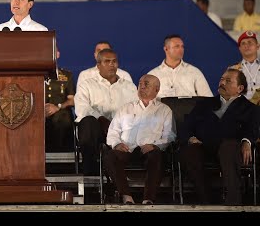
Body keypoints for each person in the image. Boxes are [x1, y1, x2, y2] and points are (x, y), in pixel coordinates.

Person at [179, 68, 260, 205]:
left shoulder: (250, 108)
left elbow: (253, 130)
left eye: (228, 81)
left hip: (232, 149)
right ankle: (207, 201)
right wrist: (191, 138)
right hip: (204, 146)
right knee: (190, 152)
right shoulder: (204, 104)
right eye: (222, 79)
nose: (222, 82)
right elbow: (186, 127)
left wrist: (247, 142)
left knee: (228, 147)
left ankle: (233, 202)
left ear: (240, 88)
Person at [106, 74, 175, 205]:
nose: (141, 86)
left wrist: (155, 145)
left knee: (157, 156)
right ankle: (126, 196)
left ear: (157, 89)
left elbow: (170, 135)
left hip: (149, 150)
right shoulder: (126, 108)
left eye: (146, 84)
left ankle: (148, 199)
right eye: (140, 83)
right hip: (127, 149)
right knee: (110, 156)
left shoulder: (164, 110)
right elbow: (112, 132)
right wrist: (116, 144)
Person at [74, 48, 137, 175]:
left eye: (114, 61)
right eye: (107, 61)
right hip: (97, 131)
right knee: (88, 122)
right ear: (98, 65)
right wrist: (101, 119)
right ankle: (91, 171)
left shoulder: (129, 86)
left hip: (122, 130)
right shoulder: (86, 85)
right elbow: (82, 109)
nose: (112, 64)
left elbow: (136, 109)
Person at [148, 34, 212, 98]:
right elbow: (146, 101)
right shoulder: (153, 75)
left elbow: (208, 98)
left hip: (189, 108)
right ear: (166, 49)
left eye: (182, 46)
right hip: (162, 108)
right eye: (177, 46)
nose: (181, 49)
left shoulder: (194, 72)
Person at [45, 47, 75, 152]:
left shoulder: (67, 75)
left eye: (52, 53)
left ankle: (60, 152)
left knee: (62, 118)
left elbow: (72, 100)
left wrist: (58, 107)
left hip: (60, 111)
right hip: (39, 111)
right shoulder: (34, 76)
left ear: (58, 54)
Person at [229, 31, 260, 101]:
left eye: (250, 42)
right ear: (239, 48)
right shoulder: (232, 70)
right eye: (243, 43)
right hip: (242, 109)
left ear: (257, 46)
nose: (246, 46)